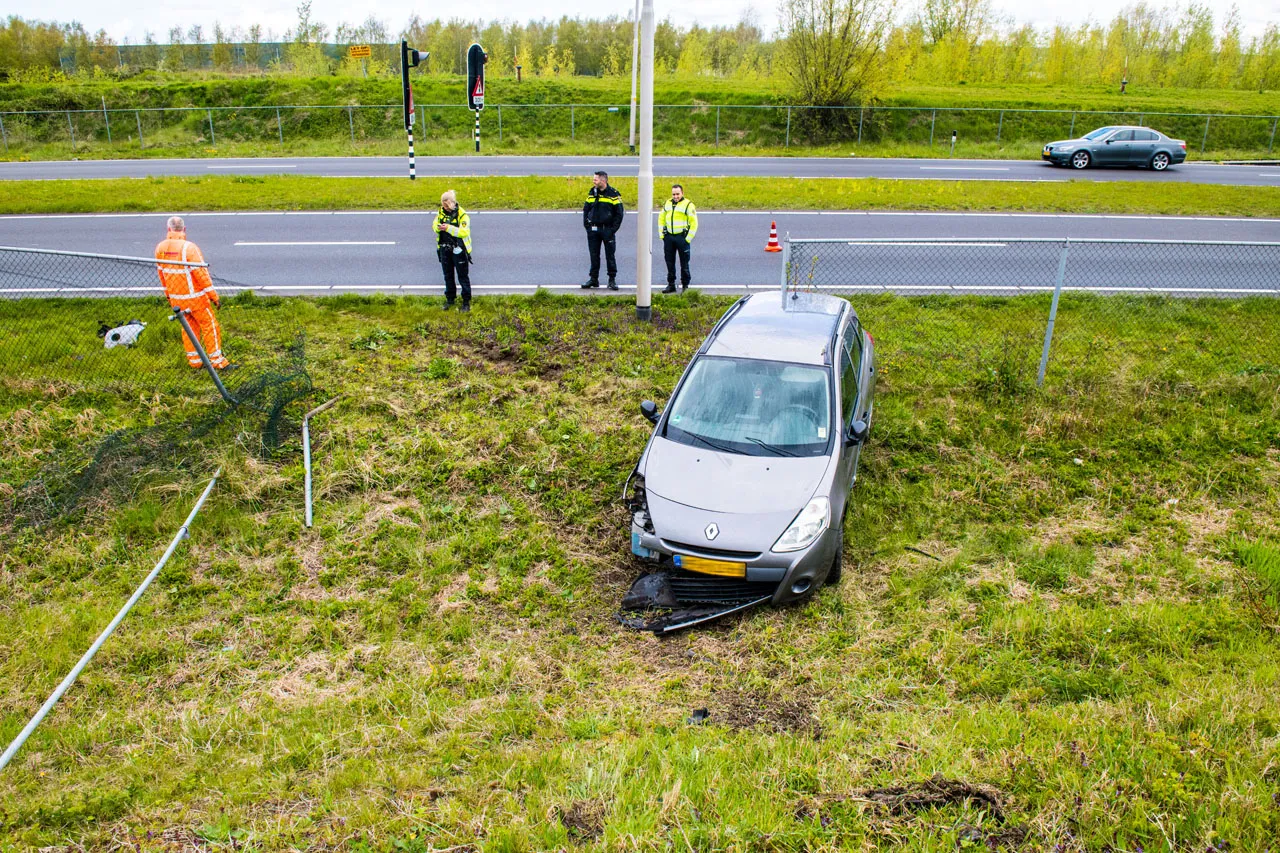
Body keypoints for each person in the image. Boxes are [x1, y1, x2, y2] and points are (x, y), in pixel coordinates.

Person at [155, 215, 232, 370]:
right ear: (184, 229)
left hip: (177, 299)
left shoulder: (160, 248)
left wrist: (169, 297)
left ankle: (195, 362)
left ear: (169, 229)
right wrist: (213, 296)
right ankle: (217, 362)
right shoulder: (189, 248)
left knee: (188, 328)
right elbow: (201, 274)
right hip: (195, 298)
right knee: (210, 326)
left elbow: (162, 276)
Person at [581, 170, 624, 291]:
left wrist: (612, 230)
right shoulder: (592, 191)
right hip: (593, 230)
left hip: (607, 230)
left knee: (610, 255)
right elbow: (586, 209)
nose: (593, 181)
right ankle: (593, 279)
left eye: (596, 179)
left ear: (603, 180)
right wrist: (587, 226)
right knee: (594, 255)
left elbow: (619, 214)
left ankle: (612, 280)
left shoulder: (613, 194)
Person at [435, 190, 473, 311]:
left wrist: (448, 228)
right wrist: (438, 227)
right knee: (448, 276)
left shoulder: (462, 215)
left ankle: (466, 302)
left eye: (447, 205)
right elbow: (434, 225)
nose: (445, 207)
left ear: (453, 203)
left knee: (462, 276)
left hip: (459, 250)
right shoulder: (441, 213)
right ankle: (450, 299)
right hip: (444, 248)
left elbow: (464, 232)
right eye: (443, 205)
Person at [659, 184, 699, 293]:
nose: (675, 196)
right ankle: (671, 284)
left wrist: (687, 239)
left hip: (682, 238)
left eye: (677, 194)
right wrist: (662, 235)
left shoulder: (688, 205)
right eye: (673, 194)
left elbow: (694, 223)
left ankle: (685, 286)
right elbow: (661, 218)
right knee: (669, 262)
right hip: (669, 238)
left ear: (682, 193)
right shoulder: (667, 203)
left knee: (684, 263)